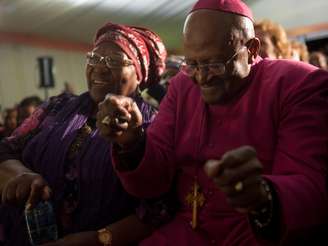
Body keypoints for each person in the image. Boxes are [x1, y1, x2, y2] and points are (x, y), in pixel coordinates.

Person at [97, 0, 328, 245]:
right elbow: (155, 175)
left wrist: (263, 195)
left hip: (258, 234)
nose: (201, 77)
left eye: (214, 64)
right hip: (189, 229)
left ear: (251, 49)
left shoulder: (298, 84)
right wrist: (132, 141)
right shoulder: (182, 85)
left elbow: (312, 186)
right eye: (193, 64)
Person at [0, 22, 169, 246]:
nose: (99, 67)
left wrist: (99, 238)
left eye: (114, 61)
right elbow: (6, 149)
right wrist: (20, 174)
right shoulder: (56, 107)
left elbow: (160, 208)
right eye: (94, 58)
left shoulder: (155, 125)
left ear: (139, 75)